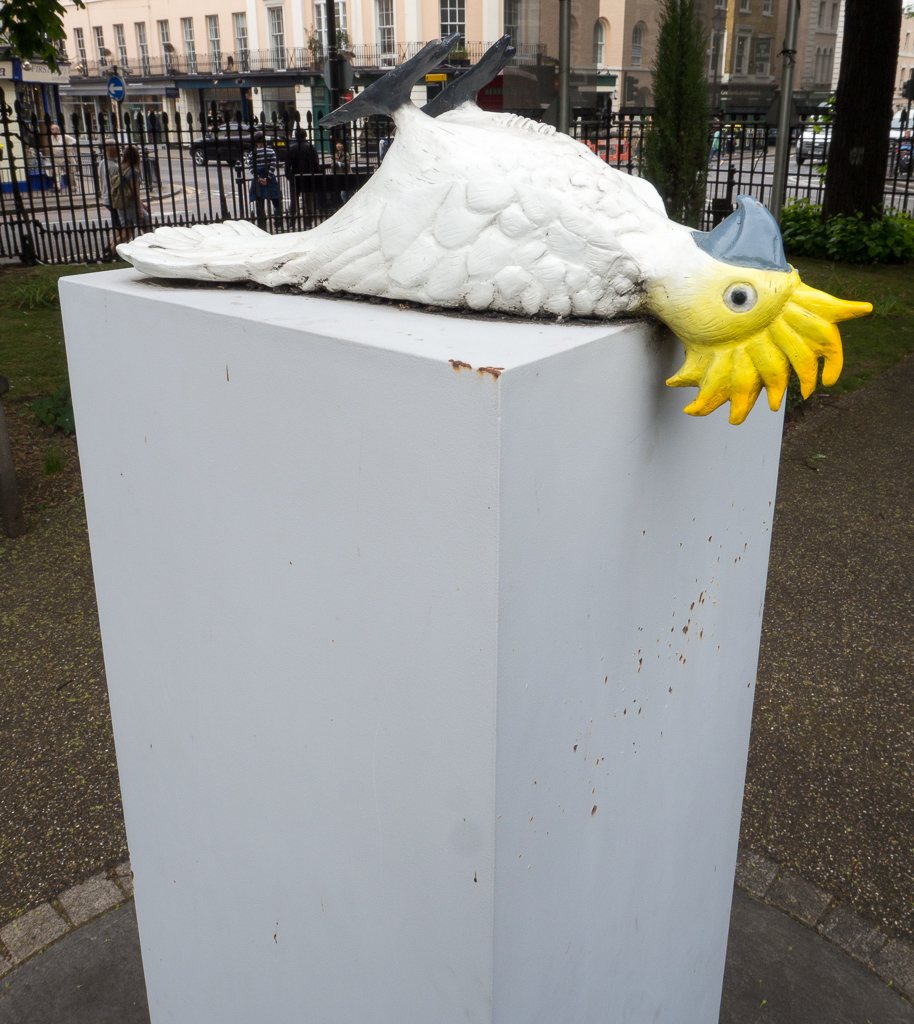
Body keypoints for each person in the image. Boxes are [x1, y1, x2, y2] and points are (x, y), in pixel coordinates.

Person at [109, 145, 149, 250]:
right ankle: (150, 252)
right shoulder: (134, 172)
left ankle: (111, 251)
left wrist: (142, 204)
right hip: (131, 206)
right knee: (148, 228)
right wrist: (140, 210)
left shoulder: (122, 168)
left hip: (122, 206)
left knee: (126, 235)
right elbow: (135, 192)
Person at [285, 128, 321, 228]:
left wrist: (290, 178)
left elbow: (287, 166)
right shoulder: (311, 147)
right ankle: (308, 222)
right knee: (308, 201)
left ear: (295, 136)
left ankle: (292, 221)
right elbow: (316, 164)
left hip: (295, 177)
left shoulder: (291, 148)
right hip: (308, 177)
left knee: (294, 201)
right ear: (305, 135)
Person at [245, 131, 282, 228]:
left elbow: (251, 167)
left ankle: (262, 223)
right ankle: (278, 222)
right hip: (270, 179)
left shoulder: (253, 153)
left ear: (256, 143)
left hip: (258, 180)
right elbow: (273, 166)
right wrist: (267, 178)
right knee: (276, 201)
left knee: (260, 202)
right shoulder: (271, 152)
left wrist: (259, 178)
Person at [98, 142, 123, 258]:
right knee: (121, 226)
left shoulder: (102, 163)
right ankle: (113, 252)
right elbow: (118, 185)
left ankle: (110, 245)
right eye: (117, 148)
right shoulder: (113, 166)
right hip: (114, 199)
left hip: (106, 198)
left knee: (117, 225)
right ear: (112, 150)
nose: (120, 150)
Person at [49, 123, 77, 191]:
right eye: (51, 129)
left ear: (57, 130)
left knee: (70, 173)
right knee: (56, 173)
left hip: (65, 158)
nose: (51, 131)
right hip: (56, 158)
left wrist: (69, 148)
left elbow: (74, 142)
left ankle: (73, 187)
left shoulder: (64, 136)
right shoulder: (50, 138)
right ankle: (58, 187)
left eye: (53, 129)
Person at [332, 139, 350, 206]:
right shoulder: (336, 154)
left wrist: (338, 163)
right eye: (337, 144)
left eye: (340, 144)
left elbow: (346, 165)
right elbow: (332, 165)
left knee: (344, 193)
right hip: (338, 175)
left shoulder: (346, 154)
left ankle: (346, 205)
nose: (338, 145)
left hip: (345, 175)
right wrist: (334, 164)